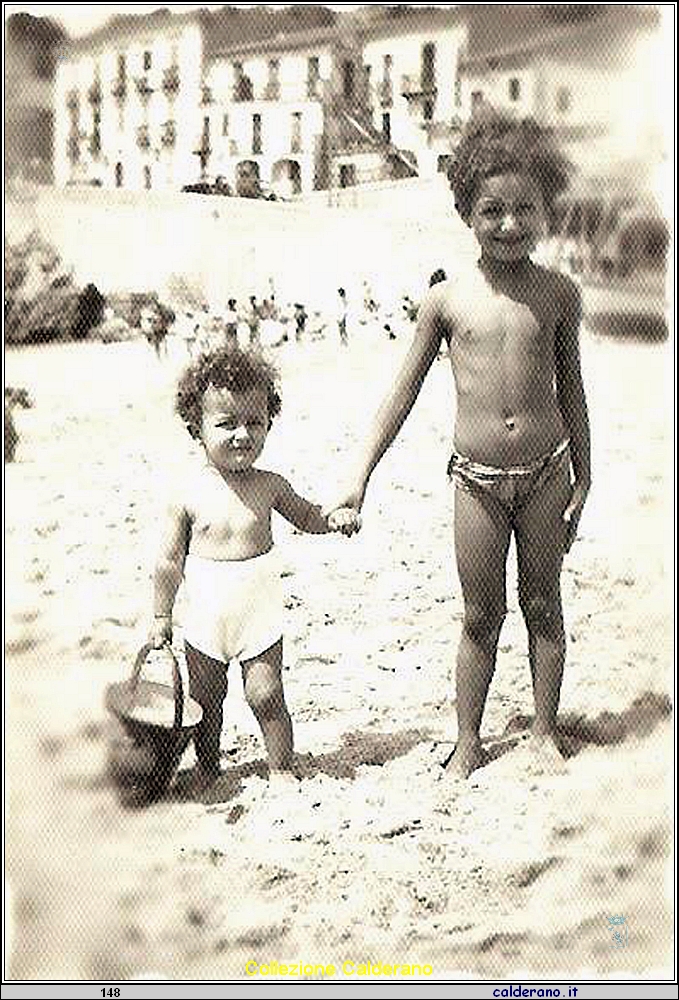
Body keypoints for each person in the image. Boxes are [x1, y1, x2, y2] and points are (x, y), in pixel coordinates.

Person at [329, 112, 591, 779]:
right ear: (465, 213)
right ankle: (468, 740)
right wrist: (358, 475)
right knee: (479, 614)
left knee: (542, 604)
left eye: (523, 209)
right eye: (491, 211)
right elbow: (401, 394)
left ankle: (541, 733)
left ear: (546, 210)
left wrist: (584, 476)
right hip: (473, 479)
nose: (509, 224)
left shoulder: (559, 293)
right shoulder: (443, 302)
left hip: (546, 474)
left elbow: (573, 390)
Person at [148, 346, 358, 793]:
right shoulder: (187, 494)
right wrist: (161, 616)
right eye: (226, 424)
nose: (243, 434)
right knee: (205, 701)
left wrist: (333, 519)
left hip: (258, 611)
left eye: (255, 422)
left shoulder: (270, 485)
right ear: (195, 429)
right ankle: (208, 768)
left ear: (268, 422)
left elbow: (306, 516)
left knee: (267, 694)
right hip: (205, 617)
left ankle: (281, 766)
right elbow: (168, 562)